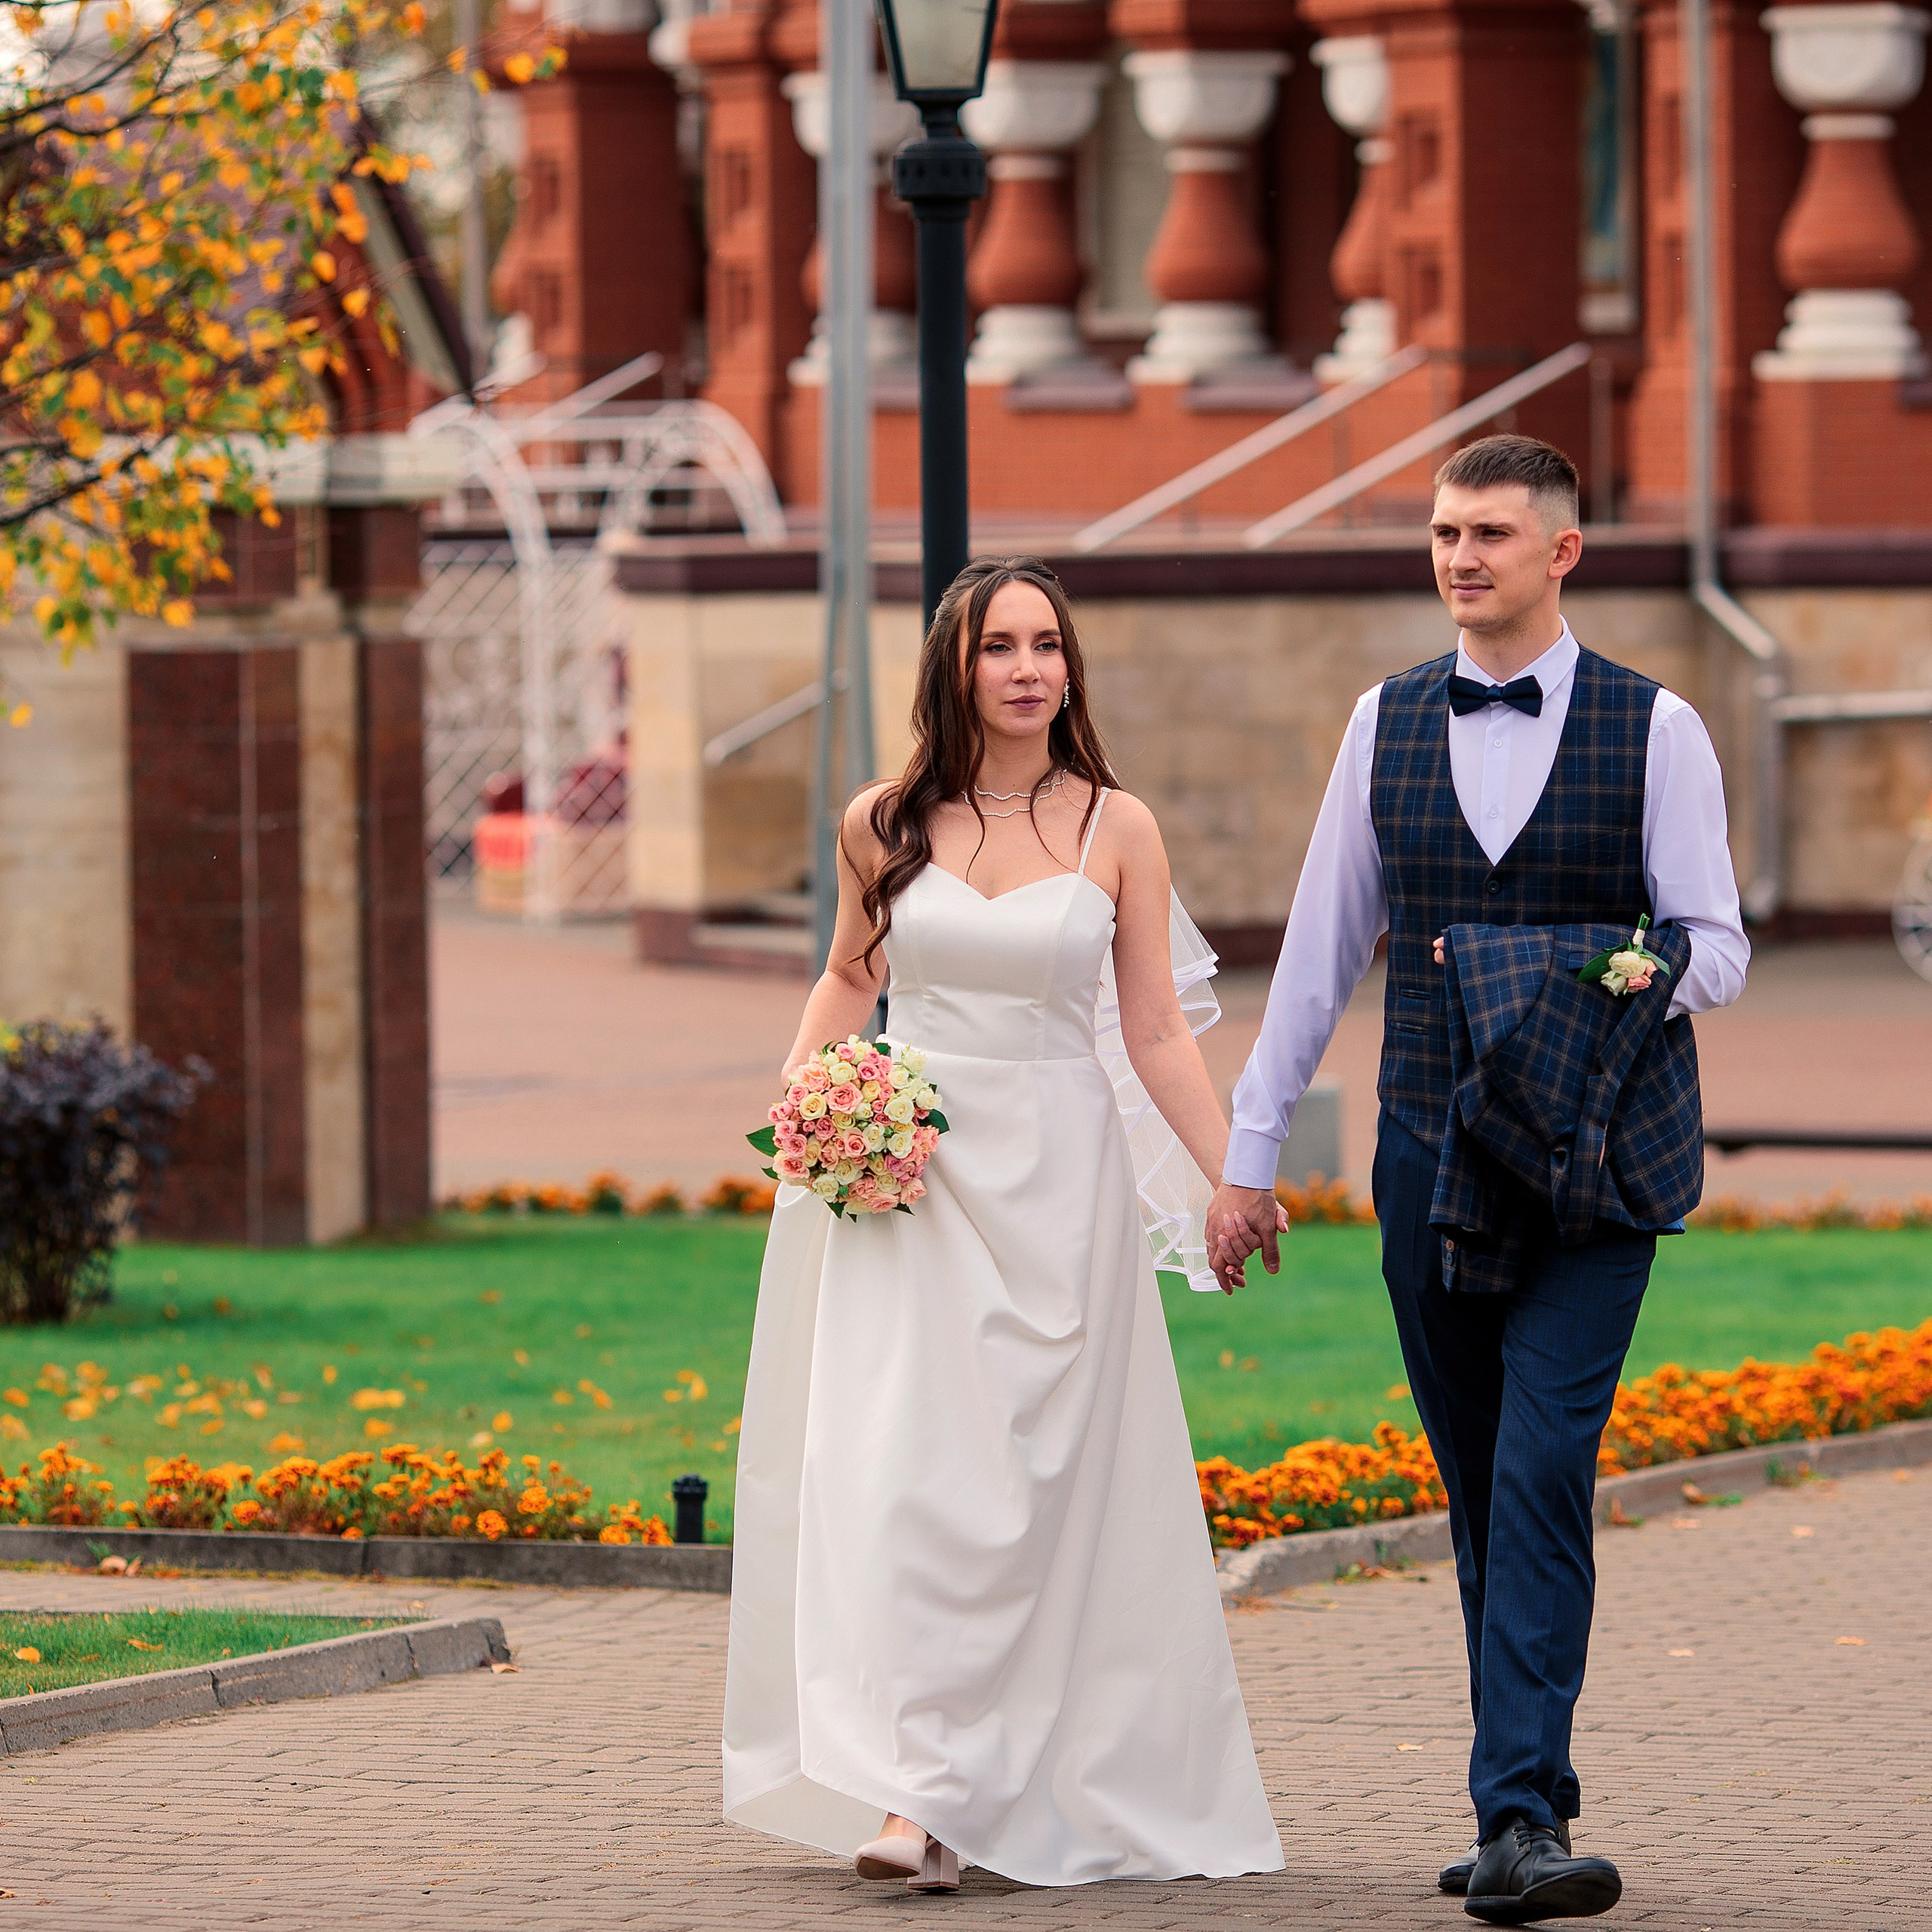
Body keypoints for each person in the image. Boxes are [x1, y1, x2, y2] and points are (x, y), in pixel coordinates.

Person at [1208, 436, 1749, 1923]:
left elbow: (1714, 941)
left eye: (1492, 534)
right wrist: (1249, 1159)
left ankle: (1511, 1814)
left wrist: (1586, 972)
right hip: (1426, 1155)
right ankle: (1528, 1783)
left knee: (1534, 1471)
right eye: (1444, 531)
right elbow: (1317, 957)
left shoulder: (1657, 726)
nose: (1461, 556)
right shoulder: (1378, 722)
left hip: (1594, 1163)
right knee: (1478, 1485)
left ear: (1559, 550)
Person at [721, 556, 1285, 1892]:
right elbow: (851, 978)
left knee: (1031, 1494)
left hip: (1062, 1188)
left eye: (1047, 644)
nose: (1027, 667)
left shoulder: (1118, 828)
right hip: (909, 1179)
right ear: (954, 668)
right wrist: (807, 1110)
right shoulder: (880, 819)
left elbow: (1151, 1028)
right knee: (906, 1481)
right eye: (998, 646)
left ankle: (1000, 1782)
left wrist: (1231, 1175)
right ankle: (913, 1798)